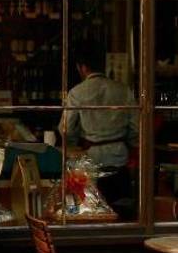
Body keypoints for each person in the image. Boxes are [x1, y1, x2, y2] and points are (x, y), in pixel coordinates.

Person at [59, 46, 139, 213]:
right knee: (122, 212)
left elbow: (65, 129)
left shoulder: (76, 93)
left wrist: (75, 145)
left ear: (82, 67)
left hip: (91, 161)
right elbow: (136, 128)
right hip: (119, 159)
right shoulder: (124, 90)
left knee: (92, 213)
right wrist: (130, 143)